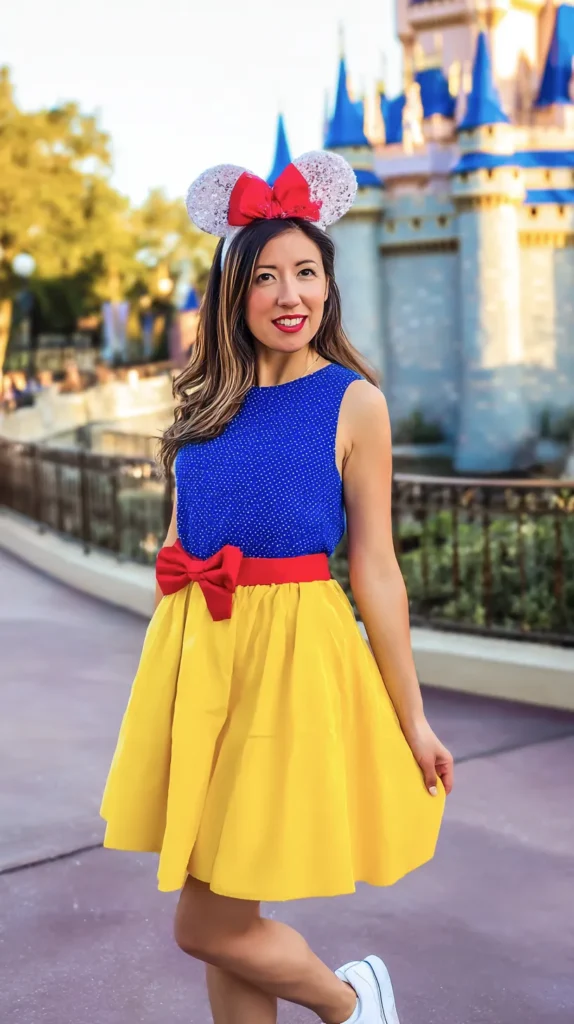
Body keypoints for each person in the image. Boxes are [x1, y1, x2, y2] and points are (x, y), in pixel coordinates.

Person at [100, 152, 454, 1024]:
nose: (289, 294)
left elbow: (375, 567)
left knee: (207, 925)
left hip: (291, 662)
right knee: (228, 903)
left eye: (306, 272)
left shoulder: (352, 402)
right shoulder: (203, 405)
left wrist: (412, 716)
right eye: (265, 276)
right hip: (200, 658)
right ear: (235, 292)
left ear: (329, 289)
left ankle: (349, 1003)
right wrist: (169, 693)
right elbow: (181, 542)